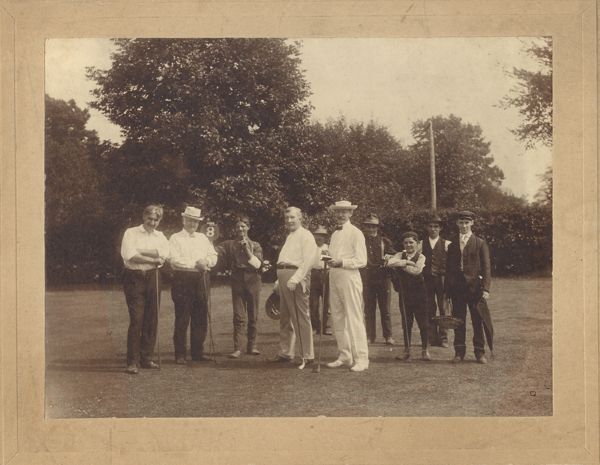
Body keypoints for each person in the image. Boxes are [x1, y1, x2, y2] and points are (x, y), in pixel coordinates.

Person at [120, 204, 170, 374]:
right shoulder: (131, 233)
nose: (153, 222)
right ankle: (132, 362)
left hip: (154, 277)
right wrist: (153, 257)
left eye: (156, 220)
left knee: (151, 318)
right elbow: (129, 255)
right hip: (134, 278)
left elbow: (164, 256)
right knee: (137, 319)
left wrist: (143, 252)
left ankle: (146, 358)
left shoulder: (160, 235)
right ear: (144, 217)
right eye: (150, 218)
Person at [168, 206, 218, 364]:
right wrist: (196, 263)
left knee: (200, 317)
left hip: (201, 279)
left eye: (195, 221)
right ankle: (180, 354)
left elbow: (213, 255)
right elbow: (174, 260)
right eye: (189, 220)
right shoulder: (175, 238)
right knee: (182, 317)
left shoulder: (203, 238)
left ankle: (198, 352)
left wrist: (207, 262)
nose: (192, 223)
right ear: (183, 220)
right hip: (183, 279)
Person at [325, 200, 369, 372]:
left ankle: (362, 358)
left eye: (345, 211)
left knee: (354, 317)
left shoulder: (356, 233)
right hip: (334, 276)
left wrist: (341, 261)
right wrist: (327, 257)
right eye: (339, 212)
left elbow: (362, 260)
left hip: (349, 276)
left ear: (351, 213)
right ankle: (345, 355)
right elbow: (333, 255)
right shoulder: (334, 234)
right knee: (337, 316)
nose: (341, 214)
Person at [271, 207, 318, 366]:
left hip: (296, 278)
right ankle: (286, 352)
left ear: (300, 218)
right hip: (285, 277)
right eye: (287, 218)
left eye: (292, 217)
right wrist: (279, 280)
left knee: (300, 316)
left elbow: (308, 261)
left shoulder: (306, 235)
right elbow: (285, 259)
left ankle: (307, 355)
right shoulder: (290, 236)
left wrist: (296, 279)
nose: (289, 221)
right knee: (285, 316)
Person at [444, 210, 492, 364]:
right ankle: (459, 352)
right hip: (457, 289)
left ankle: (479, 352)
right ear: (457, 224)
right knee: (459, 321)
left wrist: (485, 288)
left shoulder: (479, 242)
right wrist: (447, 291)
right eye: (461, 223)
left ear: (472, 223)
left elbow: (486, 268)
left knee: (477, 320)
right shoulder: (451, 244)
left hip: (475, 289)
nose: (464, 226)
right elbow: (449, 269)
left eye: (467, 222)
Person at [215, 215, 264, 359]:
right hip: (237, 280)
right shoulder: (229, 244)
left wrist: (247, 250)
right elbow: (214, 251)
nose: (240, 229)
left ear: (248, 227)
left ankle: (252, 346)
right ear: (234, 229)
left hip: (253, 280)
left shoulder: (256, 245)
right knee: (238, 315)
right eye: (238, 226)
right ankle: (237, 348)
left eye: (243, 226)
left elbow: (257, 264)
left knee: (253, 314)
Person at [387, 231, 431, 361]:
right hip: (404, 293)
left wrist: (401, 264)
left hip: (420, 293)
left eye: (411, 242)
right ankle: (407, 351)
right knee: (406, 322)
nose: (408, 245)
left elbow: (416, 271)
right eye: (406, 242)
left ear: (417, 244)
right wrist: (407, 262)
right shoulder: (400, 254)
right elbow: (389, 263)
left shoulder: (421, 256)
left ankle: (425, 350)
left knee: (423, 322)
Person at [360, 213, 396, 345]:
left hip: (383, 278)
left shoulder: (384, 241)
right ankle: (370, 336)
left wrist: (389, 257)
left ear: (377, 227)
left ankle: (388, 336)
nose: (370, 229)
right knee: (369, 309)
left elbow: (394, 255)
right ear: (364, 227)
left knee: (385, 309)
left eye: (373, 227)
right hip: (367, 278)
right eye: (368, 226)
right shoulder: (360, 241)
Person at [420, 214, 451, 348]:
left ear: (440, 228)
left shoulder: (447, 244)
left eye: (436, 227)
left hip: (442, 280)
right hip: (427, 280)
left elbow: (451, 264)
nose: (433, 229)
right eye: (431, 226)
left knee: (443, 308)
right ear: (427, 228)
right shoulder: (421, 244)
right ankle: (432, 337)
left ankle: (443, 338)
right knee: (429, 308)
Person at [309, 226, 331, 335]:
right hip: (314, 275)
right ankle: (315, 327)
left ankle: (325, 327)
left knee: (327, 304)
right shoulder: (310, 248)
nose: (319, 238)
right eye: (317, 235)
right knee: (313, 303)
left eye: (322, 236)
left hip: (326, 274)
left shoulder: (327, 248)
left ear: (325, 237)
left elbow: (330, 262)